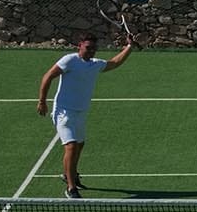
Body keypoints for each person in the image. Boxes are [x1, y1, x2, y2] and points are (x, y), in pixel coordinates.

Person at [35, 31, 135, 198]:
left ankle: (69, 174)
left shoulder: (95, 64)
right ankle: (71, 188)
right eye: (88, 47)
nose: (91, 51)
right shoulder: (69, 60)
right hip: (64, 112)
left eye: (94, 48)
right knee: (71, 146)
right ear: (79, 46)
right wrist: (42, 101)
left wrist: (130, 46)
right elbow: (48, 76)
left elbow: (115, 63)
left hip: (81, 112)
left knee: (79, 145)